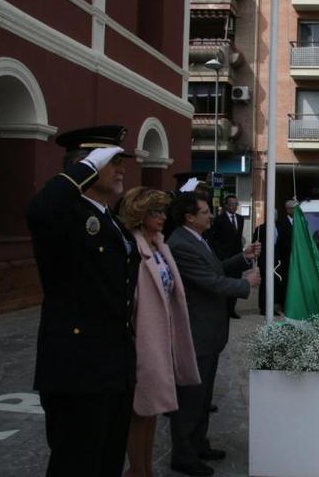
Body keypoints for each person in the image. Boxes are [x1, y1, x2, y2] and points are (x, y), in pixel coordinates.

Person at [26, 126, 140, 477]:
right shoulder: (65, 214)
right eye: (112, 161)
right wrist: (85, 168)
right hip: (76, 367)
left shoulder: (111, 220)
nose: (121, 169)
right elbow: (39, 212)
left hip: (113, 365)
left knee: (106, 460)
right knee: (75, 463)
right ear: (84, 164)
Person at [167, 192, 261, 476]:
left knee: (203, 396)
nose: (211, 215)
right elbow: (210, 282)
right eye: (206, 211)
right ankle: (183, 454)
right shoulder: (180, 244)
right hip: (196, 332)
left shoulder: (195, 239)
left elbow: (215, 268)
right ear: (190, 217)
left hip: (209, 332)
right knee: (191, 399)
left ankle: (198, 444)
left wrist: (241, 258)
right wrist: (246, 284)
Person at [119, 187, 201, 477]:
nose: (163, 217)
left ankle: (144, 468)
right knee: (140, 411)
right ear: (140, 215)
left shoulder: (159, 245)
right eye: (156, 212)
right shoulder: (132, 247)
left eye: (164, 212)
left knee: (152, 409)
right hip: (142, 338)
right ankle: (137, 470)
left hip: (162, 336)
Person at [210, 195, 245, 319]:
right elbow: (214, 239)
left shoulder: (240, 219)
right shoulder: (219, 219)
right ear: (226, 205)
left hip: (237, 256)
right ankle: (223, 309)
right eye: (231, 204)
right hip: (225, 257)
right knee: (226, 282)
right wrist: (220, 255)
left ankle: (231, 309)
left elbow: (238, 238)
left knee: (236, 281)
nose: (233, 207)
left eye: (235, 204)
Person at [274, 200, 297, 312]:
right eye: (293, 208)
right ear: (288, 209)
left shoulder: (299, 221)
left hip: (296, 257)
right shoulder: (281, 222)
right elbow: (281, 240)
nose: (295, 211)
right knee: (285, 280)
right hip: (285, 257)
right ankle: (283, 303)